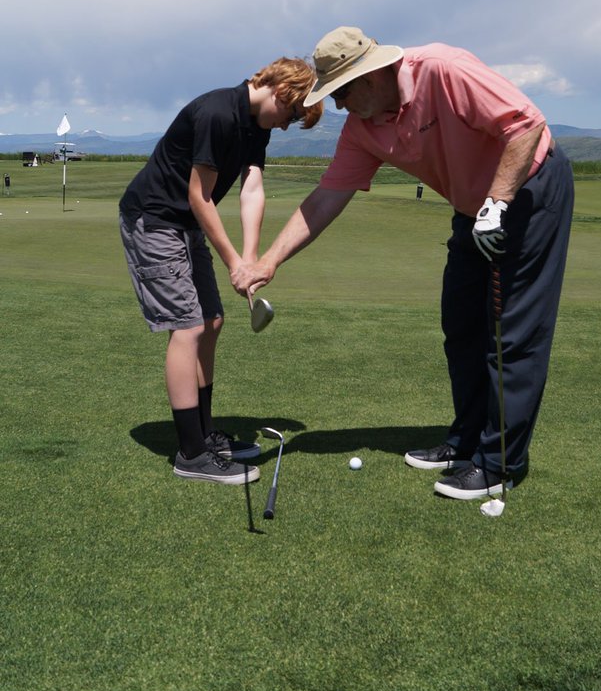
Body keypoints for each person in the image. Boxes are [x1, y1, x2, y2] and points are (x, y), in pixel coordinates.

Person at [247, 27, 574, 502]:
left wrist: (498, 203)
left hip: (527, 190)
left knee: (512, 331)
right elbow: (325, 200)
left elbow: (526, 125)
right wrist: (269, 261)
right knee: (460, 325)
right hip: (471, 207)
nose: (337, 106)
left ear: (373, 74)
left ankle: (498, 463)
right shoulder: (364, 128)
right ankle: (465, 440)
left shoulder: (443, 69)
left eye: (342, 91)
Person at [119, 57, 322, 485]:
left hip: (185, 225)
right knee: (188, 328)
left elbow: (252, 189)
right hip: (153, 220)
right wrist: (233, 262)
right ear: (280, 92)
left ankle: (205, 434)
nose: (288, 125)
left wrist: (250, 258)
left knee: (212, 321)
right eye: (294, 114)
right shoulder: (217, 113)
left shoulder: (256, 127)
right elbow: (200, 195)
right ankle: (191, 453)